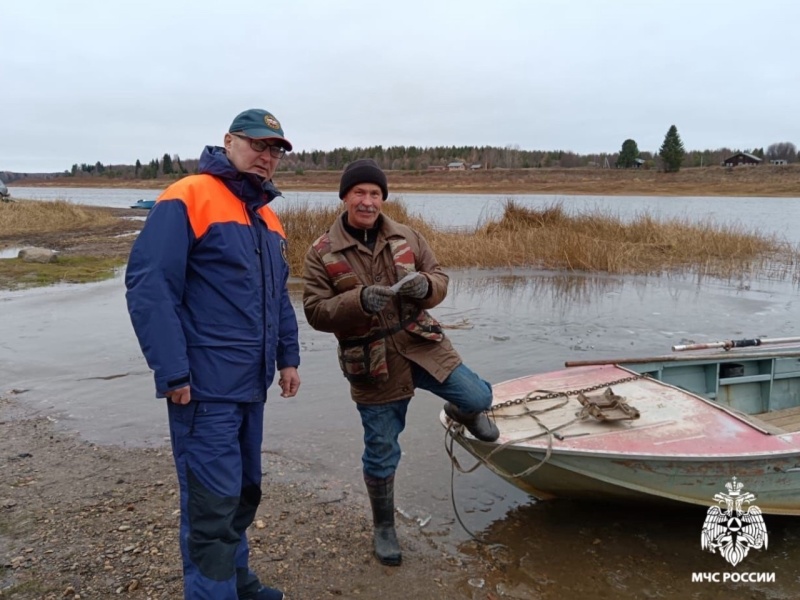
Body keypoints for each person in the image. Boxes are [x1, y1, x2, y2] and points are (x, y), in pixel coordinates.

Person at [125, 108, 301, 600]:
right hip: (202, 390)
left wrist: (289, 357)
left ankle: (237, 581)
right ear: (229, 142)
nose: (266, 157)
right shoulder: (189, 195)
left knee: (242, 493)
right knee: (210, 504)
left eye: (275, 150)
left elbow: (278, 297)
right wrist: (172, 371)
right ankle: (213, 591)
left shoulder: (267, 216)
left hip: (251, 385)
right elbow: (148, 286)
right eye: (257, 145)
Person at [301, 158, 498, 566]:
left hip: (421, 342)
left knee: (479, 396)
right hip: (373, 362)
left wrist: (428, 286)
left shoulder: (407, 235)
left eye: (375, 194)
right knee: (381, 451)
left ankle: (461, 410)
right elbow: (315, 312)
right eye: (360, 193)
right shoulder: (321, 252)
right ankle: (384, 528)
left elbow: (439, 276)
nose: (368, 201)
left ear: (383, 198)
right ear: (344, 197)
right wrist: (358, 301)